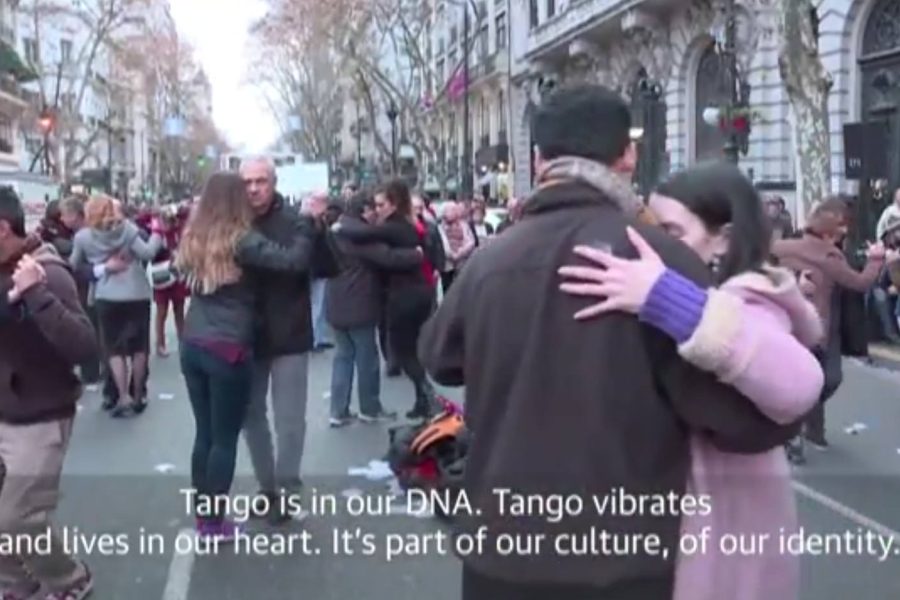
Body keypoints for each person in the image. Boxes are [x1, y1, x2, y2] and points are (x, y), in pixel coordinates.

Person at [418, 84, 800, 599]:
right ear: (628, 155)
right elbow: (737, 417)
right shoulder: (660, 263)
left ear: (538, 160)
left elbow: (438, 356)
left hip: (500, 548)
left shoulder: (490, 261)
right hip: (619, 557)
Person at [558, 162, 824, 600]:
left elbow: (798, 383)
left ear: (724, 238)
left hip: (724, 548)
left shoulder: (748, 299)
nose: (659, 243)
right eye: (652, 228)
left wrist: (666, 298)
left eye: (673, 232)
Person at [176, 172, 314, 541]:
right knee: (224, 439)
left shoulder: (194, 236)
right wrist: (305, 223)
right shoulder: (241, 239)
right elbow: (293, 262)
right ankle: (214, 523)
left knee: (204, 434)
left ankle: (203, 515)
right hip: (228, 346)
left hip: (193, 342)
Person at [0, 187, 97, 600]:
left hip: (38, 414)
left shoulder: (48, 271)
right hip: (4, 408)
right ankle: (16, 581)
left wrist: (35, 295)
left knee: (18, 519)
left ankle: (70, 579)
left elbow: (85, 347)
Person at [239, 157, 338, 519]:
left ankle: (287, 488)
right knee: (251, 415)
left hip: (290, 331)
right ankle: (267, 487)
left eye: (260, 181)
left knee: (290, 420)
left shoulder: (296, 220)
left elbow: (327, 267)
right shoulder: (232, 222)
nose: (254, 189)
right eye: (247, 182)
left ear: (274, 182)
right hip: (246, 333)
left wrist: (319, 231)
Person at [772, 197, 889, 459]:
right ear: (829, 229)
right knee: (822, 379)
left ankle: (806, 428)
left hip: (807, 324)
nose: (845, 231)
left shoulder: (782, 247)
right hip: (817, 327)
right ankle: (797, 429)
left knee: (817, 379)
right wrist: (876, 260)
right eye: (841, 226)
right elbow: (860, 282)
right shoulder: (828, 255)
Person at [334, 180, 439, 419]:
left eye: (381, 205)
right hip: (417, 292)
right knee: (409, 349)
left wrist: (338, 227)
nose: (378, 210)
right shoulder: (406, 224)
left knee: (403, 351)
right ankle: (422, 401)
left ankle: (428, 395)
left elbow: (368, 236)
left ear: (394, 204)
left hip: (405, 296)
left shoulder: (394, 225)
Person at [69, 195, 163, 417]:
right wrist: (158, 233)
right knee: (139, 347)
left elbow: (72, 265)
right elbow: (148, 253)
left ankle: (122, 397)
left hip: (107, 294)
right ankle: (138, 395)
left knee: (114, 349)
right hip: (137, 292)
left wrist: (100, 265)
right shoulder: (128, 230)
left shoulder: (83, 237)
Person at [151, 206, 189, 357]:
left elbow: (187, 213)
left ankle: (183, 342)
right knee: (162, 312)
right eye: (166, 219)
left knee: (179, 310)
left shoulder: (179, 230)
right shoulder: (157, 233)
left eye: (171, 219)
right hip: (162, 275)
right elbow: (151, 253)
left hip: (177, 274)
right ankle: (160, 344)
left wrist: (178, 210)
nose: (169, 222)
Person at [305, 192, 334, 351]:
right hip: (315, 269)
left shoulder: (318, 220)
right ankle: (314, 338)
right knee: (316, 304)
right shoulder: (309, 221)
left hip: (318, 268)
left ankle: (318, 337)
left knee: (319, 305)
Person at [437, 201, 476, 293]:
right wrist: (452, 255)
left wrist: (460, 252)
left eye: (455, 209)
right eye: (452, 210)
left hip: (462, 264)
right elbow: (442, 243)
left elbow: (471, 241)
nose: (455, 212)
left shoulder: (464, 225)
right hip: (447, 265)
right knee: (448, 290)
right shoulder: (439, 227)